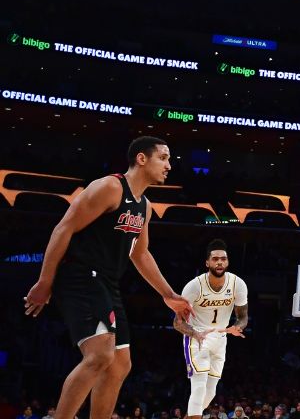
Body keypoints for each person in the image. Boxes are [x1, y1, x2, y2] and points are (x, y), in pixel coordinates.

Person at [23, 137, 193, 419]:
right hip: (80, 274)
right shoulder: (109, 187)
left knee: (119, 365)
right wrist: (45, 281)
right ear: (141, 158)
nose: (169, 166)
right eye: (163, 158)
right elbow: (63, 229)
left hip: (107, 283)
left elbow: (140, 254)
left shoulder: (145, 206)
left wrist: (169, 294)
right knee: (100, 355)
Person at [175, 240, 249, 419]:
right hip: (197, 336)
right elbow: (177, 323)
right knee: (199, 387)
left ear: (228, 262)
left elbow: (243, 316)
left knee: (210, 393)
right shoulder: (194, 287)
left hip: (220, 338)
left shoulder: (237, 284)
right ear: (207, 262)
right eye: (215, 259)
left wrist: (236, 328)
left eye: (223, 259)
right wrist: (194, 333)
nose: (219, 262)